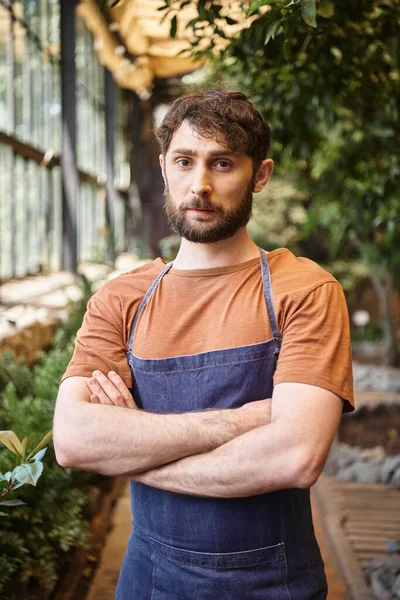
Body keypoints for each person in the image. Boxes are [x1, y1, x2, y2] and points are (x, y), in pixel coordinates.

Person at [53, 90, 354, 599]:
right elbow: (74, 440)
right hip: (148, 579)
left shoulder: (305, 290)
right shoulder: (121, 298)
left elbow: (296, 456)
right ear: (165, 168)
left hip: (273, 583)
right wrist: (247, 421)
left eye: (223, 164)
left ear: (259, 175)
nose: (201, 185)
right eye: (185, 161)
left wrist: (134, 454)